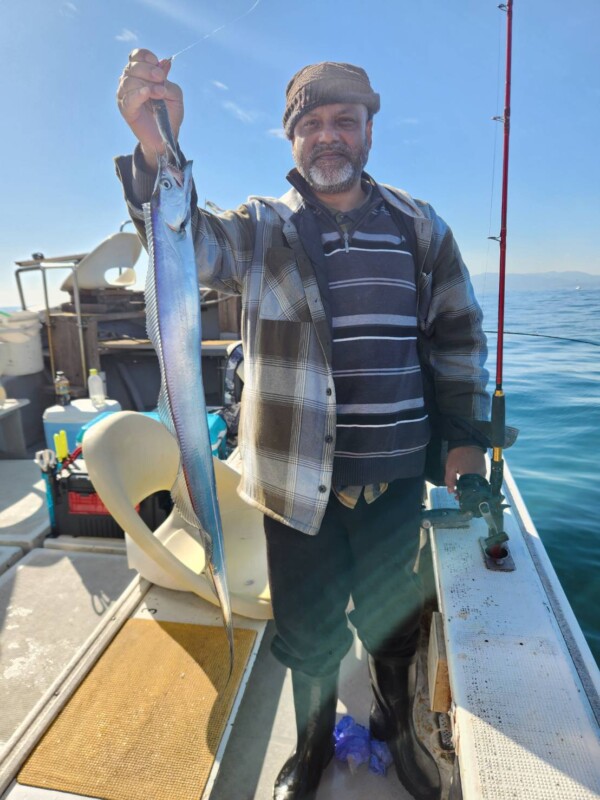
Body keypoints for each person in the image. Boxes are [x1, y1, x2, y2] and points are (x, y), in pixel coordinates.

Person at [116, 54, 490, 800]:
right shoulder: (260, 229)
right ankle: (310, 748)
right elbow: (184, 246)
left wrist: (463, 436)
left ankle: (398, 732)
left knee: (395, 629)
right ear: (291, 139)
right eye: (312, 124)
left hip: (392, 484)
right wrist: (157, 147)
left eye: (344, 121)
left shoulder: (422, 229)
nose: (329, 137)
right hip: (293, 490)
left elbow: (457, 337)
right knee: (308, 636)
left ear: (369, 132)